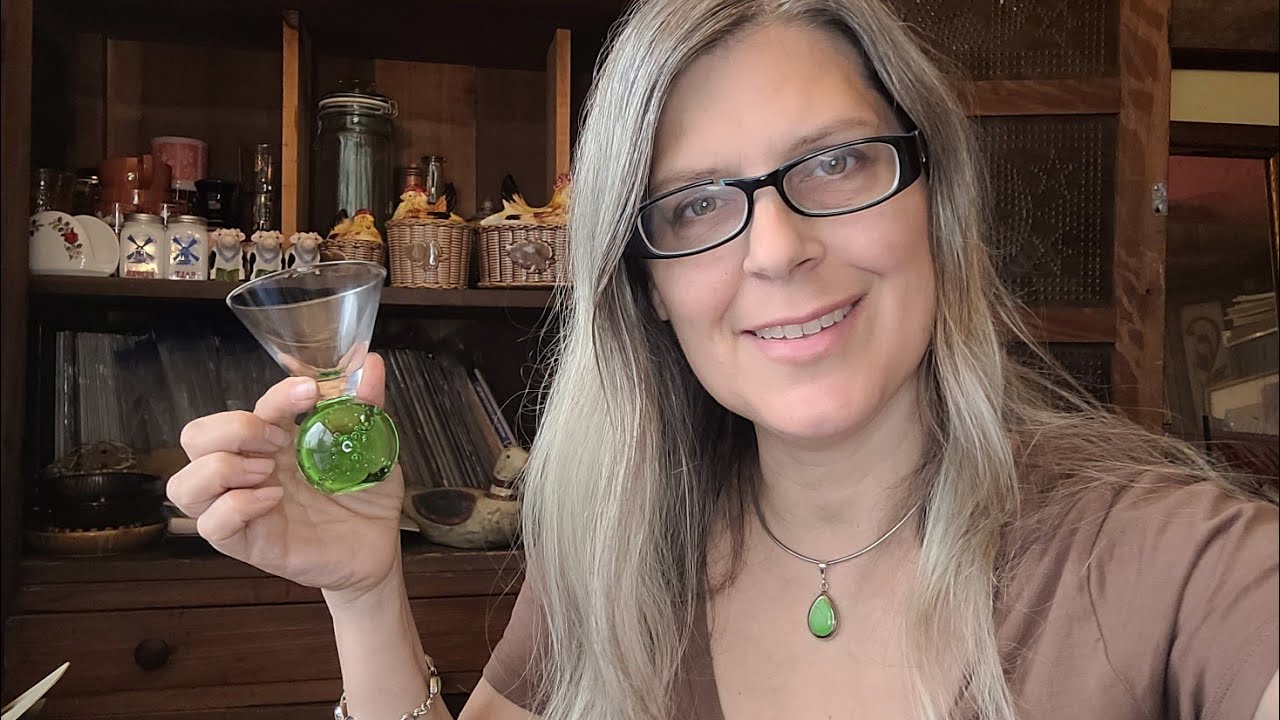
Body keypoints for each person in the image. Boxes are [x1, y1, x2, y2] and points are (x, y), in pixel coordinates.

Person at [167, 0, 1280, 717]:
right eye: (695, 204)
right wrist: (367, 597)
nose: (778, 250)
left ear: (933, 201)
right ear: (647, 286)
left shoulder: (1165, 560)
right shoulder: (614, 550)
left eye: (836, 162)